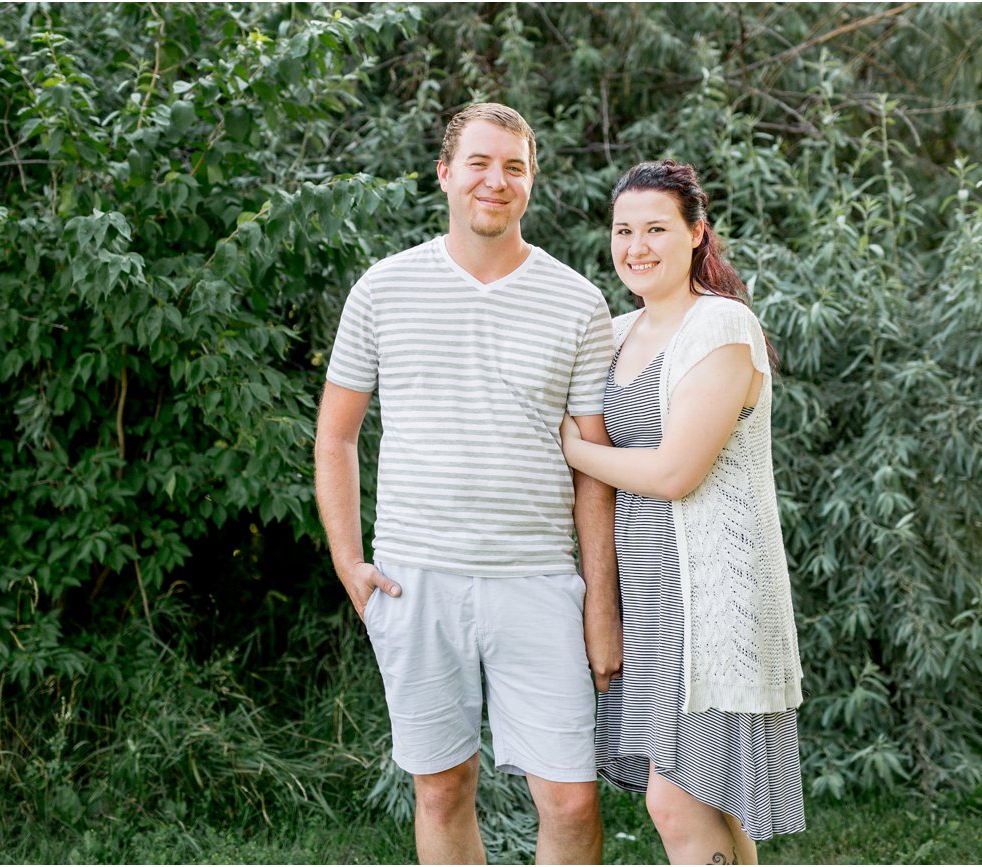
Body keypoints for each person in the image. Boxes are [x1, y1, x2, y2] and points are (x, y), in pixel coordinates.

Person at [314, 102, 622, 865]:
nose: (497, 180)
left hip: (539, 578)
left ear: (531, 181)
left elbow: (593, 468)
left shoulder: (579, 302)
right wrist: (348, 563)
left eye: (514, 166)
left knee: (572, 799)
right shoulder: (382, 289)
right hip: (415, 576)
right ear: (446, 174)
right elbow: (336, 435)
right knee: (444, 788)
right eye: (480, 163)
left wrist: (600, 600)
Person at [560, 159, 806, 864]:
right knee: (702, 804)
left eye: (657, 228)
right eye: (623, 230)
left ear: (698, 234)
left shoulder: (722, 326)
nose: (637, 246)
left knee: (678, 797)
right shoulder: (611, 333)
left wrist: (573, 449)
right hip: (648, 595)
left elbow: (674, 471)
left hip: (712, 604)